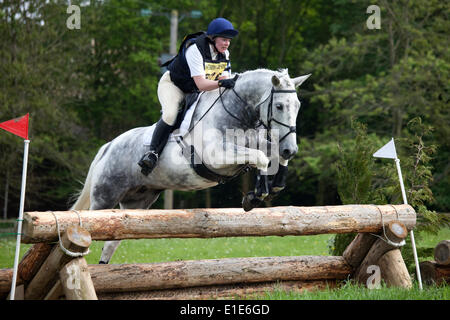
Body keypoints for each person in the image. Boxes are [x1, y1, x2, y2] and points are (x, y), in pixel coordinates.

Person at [138, 17, 239, 176]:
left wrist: (226, 84)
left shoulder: (224, 53)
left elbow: (224, 80)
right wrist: (221, 84)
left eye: (229, 40)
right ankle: (152, 153)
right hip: (174, 86)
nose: (227, 43)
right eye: (224, 39)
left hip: (195, 91)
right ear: (212, 38)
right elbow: (202, 84)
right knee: (171, 114)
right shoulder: (195, 49)